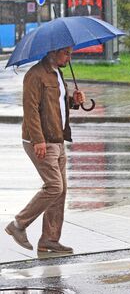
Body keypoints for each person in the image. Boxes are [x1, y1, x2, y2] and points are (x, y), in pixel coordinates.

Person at [4, 47, 85, 253]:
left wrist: (73, 102)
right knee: (54, 187)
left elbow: (56, 106)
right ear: (52, 52)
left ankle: (49, 239)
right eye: (66, 53)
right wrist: (37, 140)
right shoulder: (35, 75)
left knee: (61, 191)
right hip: (41, 141)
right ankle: (18, 225)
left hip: (58, 139)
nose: (69, 57)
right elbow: (30, 109)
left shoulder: (58, 73)